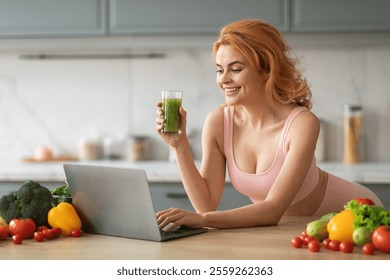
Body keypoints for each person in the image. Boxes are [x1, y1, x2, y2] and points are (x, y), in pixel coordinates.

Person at [155, 19, 383, 231]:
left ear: (267, 70)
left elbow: (272, 210)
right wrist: (179, 145)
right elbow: (205, 205)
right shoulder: (218, 122)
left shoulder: (301, 124)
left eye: (235, 69)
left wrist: (203, 221)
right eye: (219, 69)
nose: (224, 79)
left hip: (354, 213)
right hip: (294, 228)